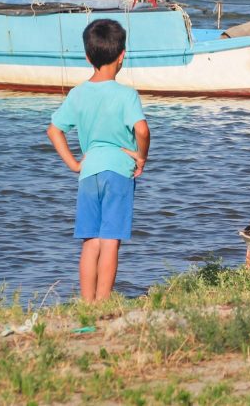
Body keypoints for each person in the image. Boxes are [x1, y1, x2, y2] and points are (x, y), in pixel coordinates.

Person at [46, 19, 150, 302]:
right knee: (110, 241)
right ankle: (103, 303)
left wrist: (74, 164)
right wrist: (141, 157)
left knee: (90, 242)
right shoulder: (126, 95)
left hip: (88, 173)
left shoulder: (77, 93)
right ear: (122, 57)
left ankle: (87, 302)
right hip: (118, 172)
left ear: (88, 57)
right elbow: (141, 130)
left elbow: (54, 130)